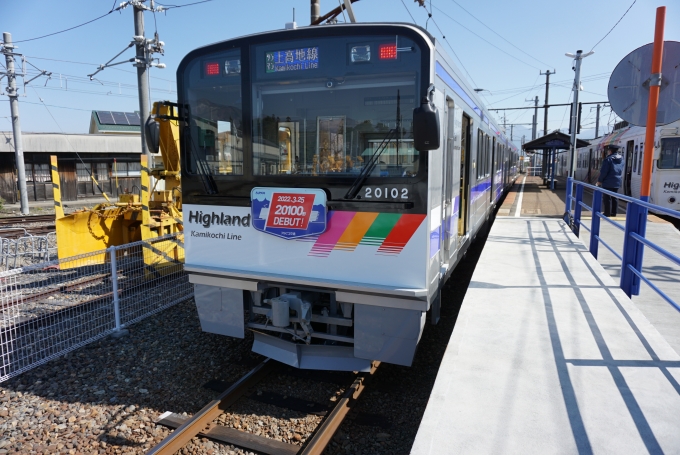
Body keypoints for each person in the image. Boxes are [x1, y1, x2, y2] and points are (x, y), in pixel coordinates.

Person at [595, 144, 624, 217]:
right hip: (617, 181)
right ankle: (614, 213)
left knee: (607, 198)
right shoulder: (621, 159)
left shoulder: (608, 159)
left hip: (608, 181)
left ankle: (607, 213)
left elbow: (604, 171)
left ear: (610, 151)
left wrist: (599, 181)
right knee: (615, 197)